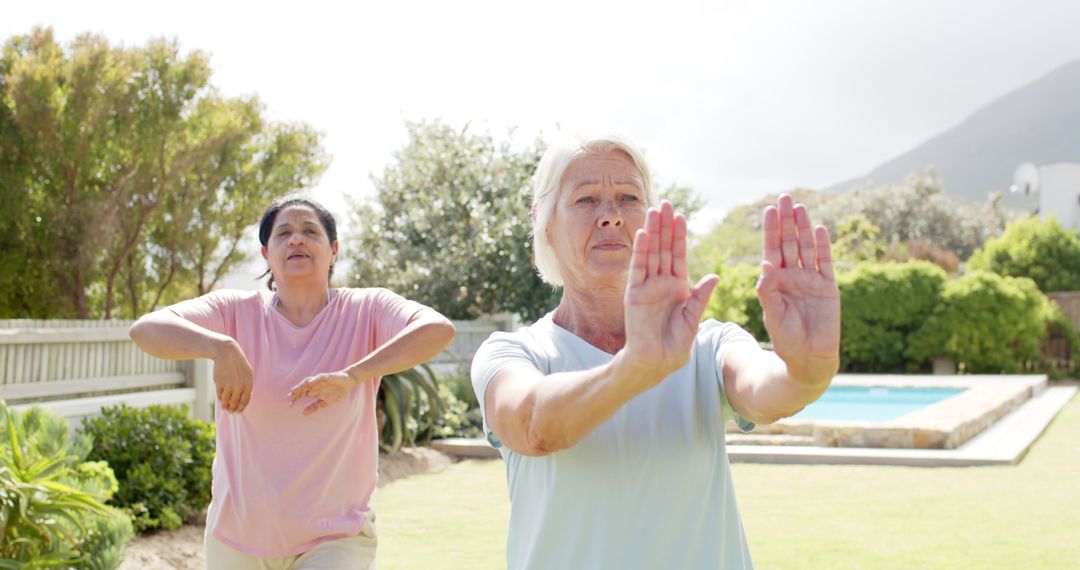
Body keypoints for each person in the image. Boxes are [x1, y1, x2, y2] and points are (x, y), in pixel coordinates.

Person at [471, 134, 841, 569]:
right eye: (586, 199)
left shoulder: (707, 344)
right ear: (546, 223)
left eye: (628, 197)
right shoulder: (514, 353)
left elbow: (767, 390)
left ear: (649, 218)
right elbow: (533, 426)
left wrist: (807, 371)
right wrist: (635, 368)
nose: (610, 216)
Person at [129, 197, 455, 569]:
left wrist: (353, 376)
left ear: (333, 250)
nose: (296, 239)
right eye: (284, 233)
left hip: (336, 537)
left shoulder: (367, 309)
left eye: (309, 231)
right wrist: (220, 347)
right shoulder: (234, 311)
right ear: (266, 254)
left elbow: (436, 329)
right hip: (237, 538)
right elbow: (145, 330)